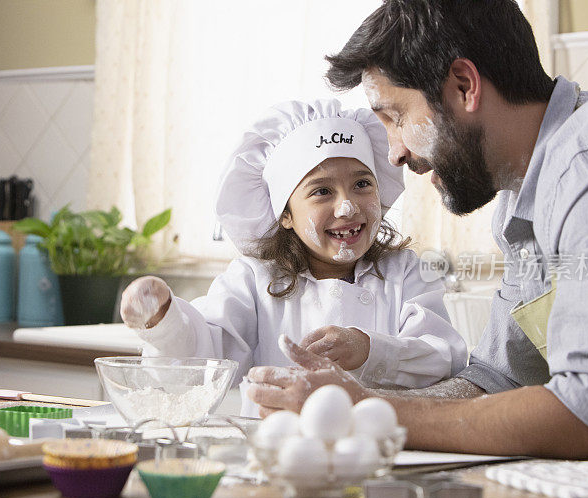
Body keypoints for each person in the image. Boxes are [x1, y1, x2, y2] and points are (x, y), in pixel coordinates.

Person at [247, 0, 588, 460]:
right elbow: (498, 379)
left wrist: (368, 410)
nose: (393, 153)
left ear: (463, 86)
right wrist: (345, 403)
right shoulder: (524, 196)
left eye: (394, 117)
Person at [120, 99, 467, 417]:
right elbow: (206, 355)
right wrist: (164, 320)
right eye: (321, 191)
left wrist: (369, 349)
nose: (347, 206)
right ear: (284, 214)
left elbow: (442, 358)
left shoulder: (405, 273)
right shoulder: (254, 280)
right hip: (277, 451)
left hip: (375, 450)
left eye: (362, 184)